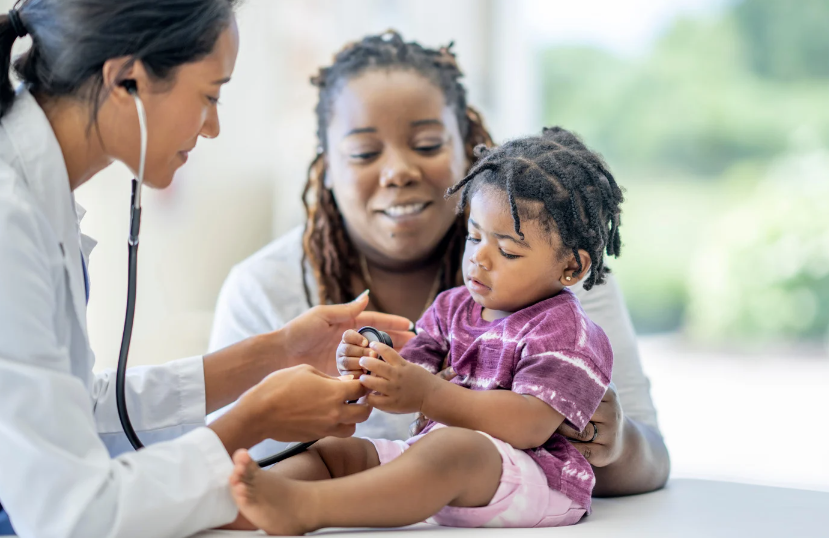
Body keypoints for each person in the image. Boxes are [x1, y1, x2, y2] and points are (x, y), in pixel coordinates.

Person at [0, 0, 409, 538]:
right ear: (127, 81)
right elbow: (74, 514)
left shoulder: (29, 191)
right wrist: (252, 419)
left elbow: (73, 406)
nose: (212, 128)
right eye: (209, 96)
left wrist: (277, 353)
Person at [210, 31, 670, 495]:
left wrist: (617, 443)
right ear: (326, 167)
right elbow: (217, 464)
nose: (398, 171)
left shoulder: (556, 270)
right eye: (364, 153)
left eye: (428, 145)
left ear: (471, 149)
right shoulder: (263, 288)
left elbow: (653, 461)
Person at [227, 128, 620, 534]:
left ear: (571, 267)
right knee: (337, 454)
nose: (479, 259)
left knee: (452, 449)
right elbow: (411, 370)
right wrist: (373, 364)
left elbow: (529, 426)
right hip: (440, 468)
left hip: (536, 480)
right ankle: (238, 505)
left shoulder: (568, 332)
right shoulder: (452, 307)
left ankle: (307, 508)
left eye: (507, 251)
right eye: (474, 237)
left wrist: (430, 394)